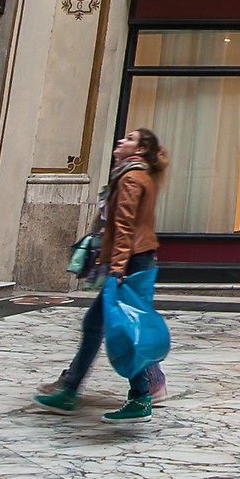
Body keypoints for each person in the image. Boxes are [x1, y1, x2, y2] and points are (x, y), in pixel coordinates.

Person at [35, 129, 166, 422]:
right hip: (138, 257)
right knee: (103, 325)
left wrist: (117, 269)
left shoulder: (130, 177)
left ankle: (138, 396)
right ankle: (72, 390)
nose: (121, 140)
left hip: (130, 260)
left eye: (130, 139)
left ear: (141, 149)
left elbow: (123, 226)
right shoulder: (137, 174)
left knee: (119, 328)